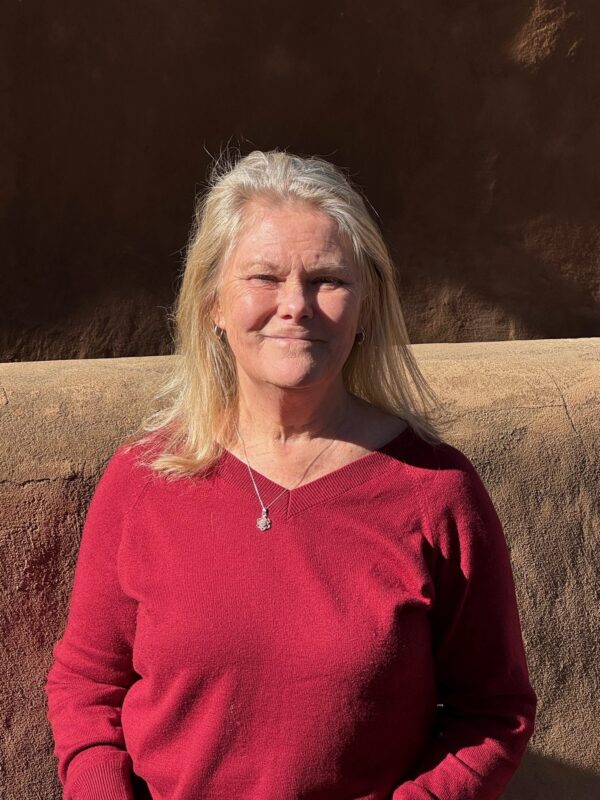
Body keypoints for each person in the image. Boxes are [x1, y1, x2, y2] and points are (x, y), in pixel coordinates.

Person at [45, 149, 537, 800]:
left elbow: (494, 712)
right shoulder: (141, 481)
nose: (296, 306)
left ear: (366, 306)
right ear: (213, 303)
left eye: (327, 279)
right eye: (265, 277)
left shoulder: (436, 490)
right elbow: (86, 685)